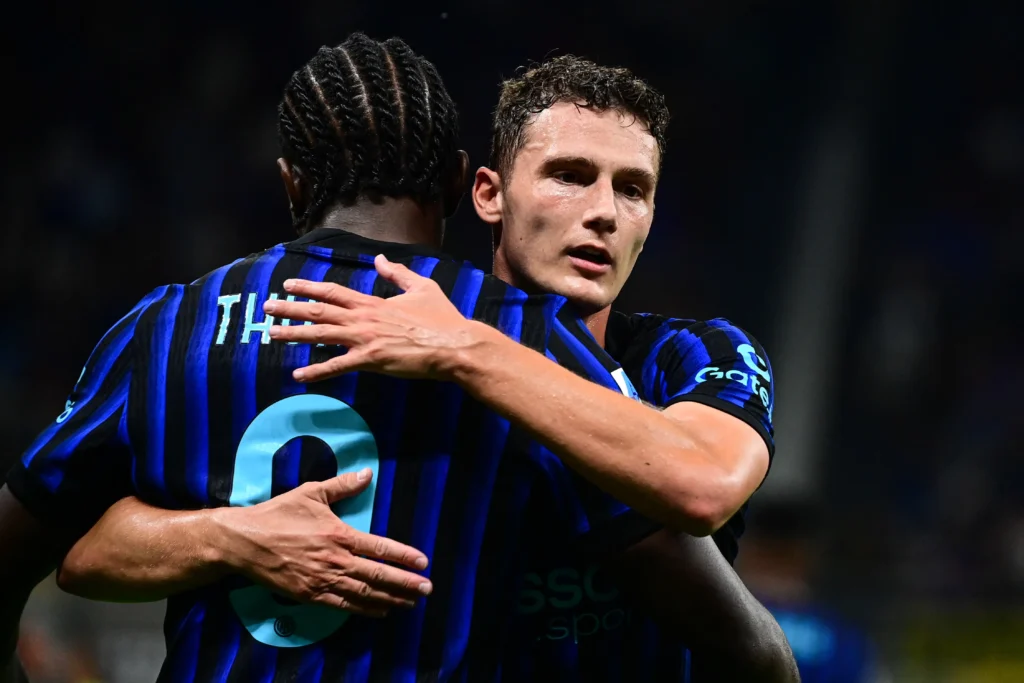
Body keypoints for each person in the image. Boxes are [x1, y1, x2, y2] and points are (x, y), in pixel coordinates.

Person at [0, 36, 790, 682]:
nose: (602, 213)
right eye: (569, 176)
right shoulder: (514, 333)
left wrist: (467, 347)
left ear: (292, 184)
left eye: (633, 189)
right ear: (474, 189)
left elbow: (702, 481)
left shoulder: (173, 321)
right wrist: (230, 534)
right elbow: (87, 552)